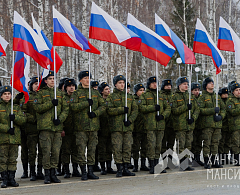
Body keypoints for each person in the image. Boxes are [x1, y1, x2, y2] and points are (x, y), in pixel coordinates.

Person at [33, 71, 69, 184]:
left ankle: (53, 173)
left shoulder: (59, 93)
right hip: (45, 128)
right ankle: (47, 174)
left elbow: (66, 109)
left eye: (54, 78)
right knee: (46, 151)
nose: (52, 80)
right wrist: (50, 103)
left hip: (57, 127)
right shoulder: (40, 93)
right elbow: (37, 108)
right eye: (50, 78)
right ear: (45, 81)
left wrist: (60, 119)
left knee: (56, 151)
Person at [70, 71, 106, 180]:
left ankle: (90, 171)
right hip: (81, 127)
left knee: (92, 149)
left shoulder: (94, 93)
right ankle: (83, 171)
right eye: (85, 78)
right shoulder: (76, 93)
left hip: (93, 126)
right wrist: (86, 103)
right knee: (81, 150)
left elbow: (103, 106)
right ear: (80, 80)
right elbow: (73, 107)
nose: (87, 80)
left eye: (88, 78)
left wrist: (95, 113)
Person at [107, 75, 138, 177]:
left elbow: (135, 110)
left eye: (123, 83)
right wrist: (121, 110)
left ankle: (126, 167)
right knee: (117, 148)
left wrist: (130, 120)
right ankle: (119, 168)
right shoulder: (111, 97)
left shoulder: (129, 97)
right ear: (115, 84)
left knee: (127, 148)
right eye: (120, 83)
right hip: (116, 127)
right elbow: (109, 110)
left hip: (127, 127)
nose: (122, 85)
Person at [139, 76, 171, 174]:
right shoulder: (145, 95)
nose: (154, 84)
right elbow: (142, 107)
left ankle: (157, 165)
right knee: (151, 145)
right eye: (152, 83)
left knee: (158, 146)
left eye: (156, 83)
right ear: (149, 84)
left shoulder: (161, 95)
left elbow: (168, 108)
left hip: (160, 124)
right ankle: (152, 165)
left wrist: (162, 116)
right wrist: (153, 108)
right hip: (150, 125)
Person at [0, 86, 26, 188]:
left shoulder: (15, 107)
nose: (7, 96)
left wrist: (15, 118)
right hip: (2, 138)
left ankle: (11, 179)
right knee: (3, 159)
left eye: (9, 94)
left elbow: (23, 120)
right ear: (1, 96)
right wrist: (6, 129)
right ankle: (4, 179)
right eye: (5, 94)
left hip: (14, 138)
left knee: (12, 159)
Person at [171, 77, 199, 171]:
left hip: (190, 125)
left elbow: (196, 109)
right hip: (180, 125)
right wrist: (185, 107)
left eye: (187, 84)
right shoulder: (174, 97)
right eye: (184, 84)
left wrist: (193, 118)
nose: (186, 85)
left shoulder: (190, 96)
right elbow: (174, 110)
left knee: (188, 144)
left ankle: (186, 163)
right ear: (179, 85)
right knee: (181, 145)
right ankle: (183, 164)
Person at [198, 77, 226, 169]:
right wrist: (212, 110)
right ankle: (207, 161)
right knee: (207, 143)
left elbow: (223, 109)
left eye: (212, 82)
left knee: (215, 143)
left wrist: (221, 116)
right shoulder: (202, 97)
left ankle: (214, 161)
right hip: (207, 125)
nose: (212, 84)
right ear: (206, 85)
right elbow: (200, 110)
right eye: (210, 83)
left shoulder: (216, 96)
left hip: (217, 124)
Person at [21, 77, 44, 181]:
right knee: (32, 152)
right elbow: (23, 112)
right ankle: (32, 172)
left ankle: (40, 171)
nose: (36, 85)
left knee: (42, 151)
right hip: (31, 129)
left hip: (42, 128)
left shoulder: (42, 95)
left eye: (38, 83)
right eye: (35, 83)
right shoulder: (27, 96)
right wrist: (33, 119)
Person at [61, 78, 82, 178]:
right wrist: (61, 128)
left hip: (77, 128)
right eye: (69, 86)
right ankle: (66, 170)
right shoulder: (62, 98)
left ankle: (75, 169)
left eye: (73, 85)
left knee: (76, 150)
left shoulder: (78, 96)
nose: (71, 87)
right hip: (66, 128)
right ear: (65, 88)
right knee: (66, 150)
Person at [97, 82, 116, 175]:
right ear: (101, 91)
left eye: (109, 89)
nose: (108, 91)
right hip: (101, 128)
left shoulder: (111, 99)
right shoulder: (98, 101)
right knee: (102, 149)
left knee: (109, 148)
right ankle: (103, 168)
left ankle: (109, 167)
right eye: (106, 89)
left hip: (110, 127)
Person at [132, 83, 149, 172]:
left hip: (145, 127)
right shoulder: (132, 100)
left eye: (143, 90)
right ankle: (135, 165)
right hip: (136, 128)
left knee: (145, 147)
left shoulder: (145, 99)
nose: (142, 92)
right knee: (135, 148)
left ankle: (143, 164)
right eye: (140, 90)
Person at [160, 79, 175, 168]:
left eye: (170, 85)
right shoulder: (161, 96)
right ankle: (164, 161)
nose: (169, 87)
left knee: (170, 144)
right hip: (164, 123)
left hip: (172, 124)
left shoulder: (173, 96)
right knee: (163, 144)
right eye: (167, 85)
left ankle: (169, 161)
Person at [56, 77, 68, 176]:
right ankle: (58, 168)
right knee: (59, 150)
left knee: (66, 149)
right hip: (60, 126)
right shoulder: (58, 96)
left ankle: (66, 168)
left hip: (70, 126)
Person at [190, 82, 204, 166]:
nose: (197, 92)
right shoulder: (190, 99)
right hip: (191, 124)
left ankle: (197, 158)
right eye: (195, 90)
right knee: (192, 143)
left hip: (200, 124)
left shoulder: (201, 99)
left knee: (199, 143)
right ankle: (192, 159)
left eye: (198, 90)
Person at [218, 87, 231, 165]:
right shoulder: (220, 102)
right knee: (221, 142)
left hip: (228, 125)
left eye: (226, 94)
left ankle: (225, 156)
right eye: (224, 94)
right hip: (222, 125)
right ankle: (221, 157)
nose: (226, 95)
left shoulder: (229, 101)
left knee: (228, 142)